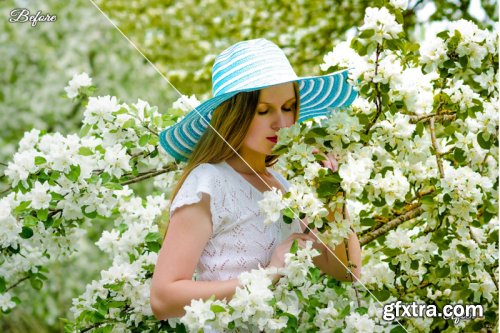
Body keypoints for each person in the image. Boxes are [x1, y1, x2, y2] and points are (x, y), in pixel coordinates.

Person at [150, 38, 362, 321]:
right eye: (264, 111)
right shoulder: (209, 183)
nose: (281, 122)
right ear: (235, 115)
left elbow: (346, 270)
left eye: (288, 107)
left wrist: (332, 192)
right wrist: (268, 276)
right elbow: (164, 298)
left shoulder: (283, 185)